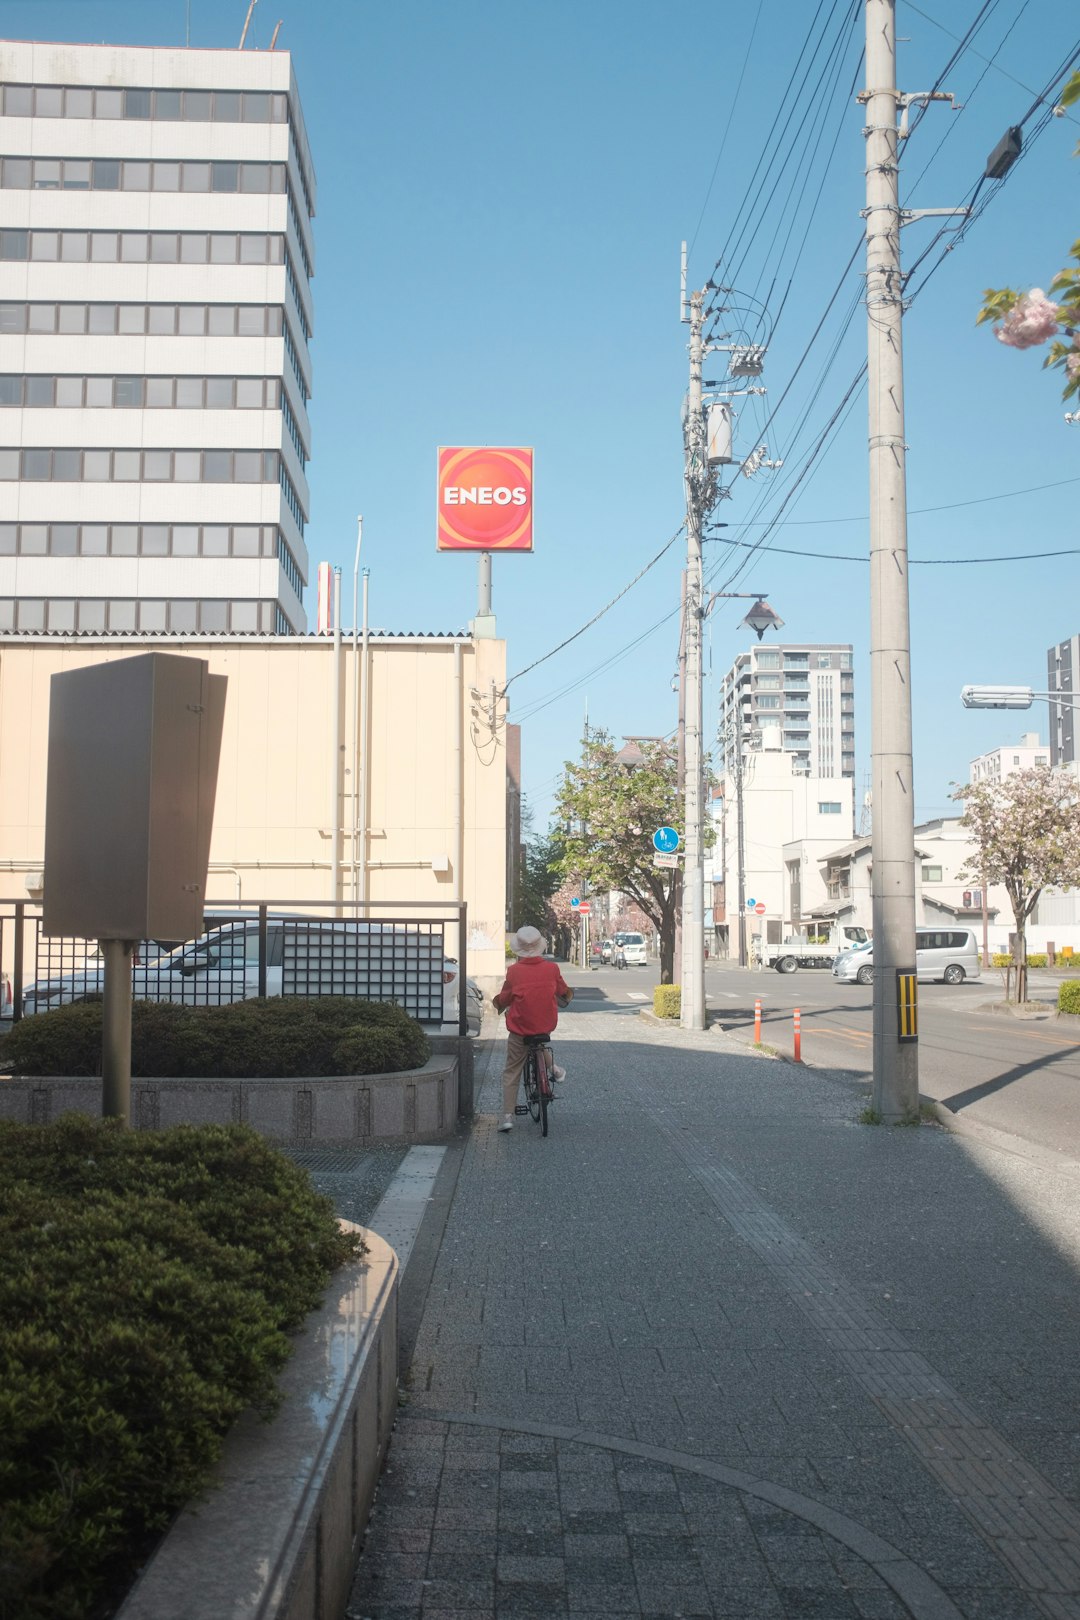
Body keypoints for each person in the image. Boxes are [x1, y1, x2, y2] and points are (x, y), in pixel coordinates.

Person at [492, 925, 572, 1132]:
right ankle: (554, 1069)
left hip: (520, 1026)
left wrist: (498, 1003)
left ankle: (508, 1116)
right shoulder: (552, 969)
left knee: (512, 1070)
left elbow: (505, 997)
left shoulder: (514, 971)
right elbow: (563, 991)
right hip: (545, 1023)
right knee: (539, 1039)